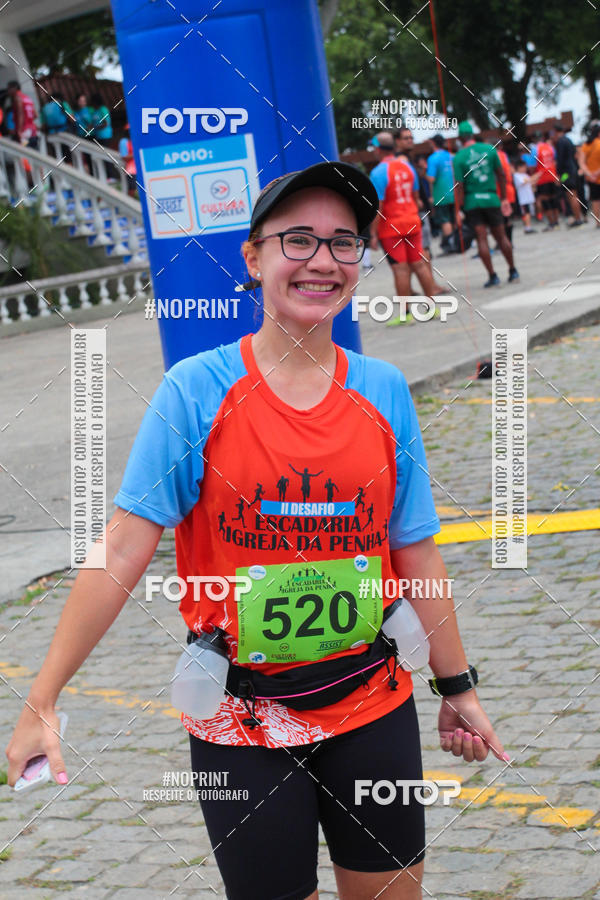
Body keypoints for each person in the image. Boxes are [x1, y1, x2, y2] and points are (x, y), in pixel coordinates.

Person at [6, 159, 507, 900]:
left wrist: (457, 685)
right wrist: (40, 699)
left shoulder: (385, 392)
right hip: (240, 722)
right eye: (297, 239)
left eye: (344, 243)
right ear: (254, 256)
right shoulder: (197, 391)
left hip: (372, 701)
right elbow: (120, 548)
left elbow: (415, 550)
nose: (322, 261)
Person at [369, 131, 442, 298]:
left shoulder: (378, 172)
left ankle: (406, 313)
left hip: (390, 228)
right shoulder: (407, 167)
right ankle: (431, 307)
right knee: (419, 265)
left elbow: (378, 206)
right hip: (412, 221)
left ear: (378, 149)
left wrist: (372, 233)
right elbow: (416, 197)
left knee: (400, 270)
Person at [452, 121, 518, 287]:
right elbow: (501, 175)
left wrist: (458, 209)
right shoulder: (489, 149)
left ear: (460, 138)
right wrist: (504, 198)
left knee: (481, 239)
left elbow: (458, 186)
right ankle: (512, 270)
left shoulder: (458, 157)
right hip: (491, 198)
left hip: (473, 202)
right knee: (501, 236)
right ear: (473, 135)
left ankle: (493, 275)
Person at [551, 124, 583, 226]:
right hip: (572, 170)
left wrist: (559, 175)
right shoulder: (568, 140)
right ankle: (578, 217)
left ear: (555, 131)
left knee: (571, 195)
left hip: (566, 173)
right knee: (574, 194)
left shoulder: (560, 142)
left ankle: (577, 218)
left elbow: (560, 160)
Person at [426, 134, 455, 244]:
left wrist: (423, 173)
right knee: (453, 219)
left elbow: (431, 178)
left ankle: (450, 244)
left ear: (433, 143)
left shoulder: (433, 158)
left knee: (445, 220)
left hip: (441, 195)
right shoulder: (451, 156)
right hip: (454, 193)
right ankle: (458, 242)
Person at [534, 132, 560, 231]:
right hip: (552, 176)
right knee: (554, 199)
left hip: (542, 178)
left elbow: (532, 165)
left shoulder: (535, 149)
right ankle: (556, 222)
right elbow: (555, 161)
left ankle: (551, 223)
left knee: (545, 201)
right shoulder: (550, 148)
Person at [578, 122, 600, 228]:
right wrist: (597, 172)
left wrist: (590, 174)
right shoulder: (599, 143)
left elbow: (581, 163)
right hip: (597, 176)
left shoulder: (585, 145)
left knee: (595, 200)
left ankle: (598, 222)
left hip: (591, 179)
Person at [6, 80, 38, 149]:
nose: (8, 91)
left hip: (24, 132)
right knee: (34, 152)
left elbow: (21, 114)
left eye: (9, 89)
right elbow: (35, 115)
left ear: (14, 88)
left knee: (25, 154)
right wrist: (28, 122)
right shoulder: (26, 97)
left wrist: (19, 130)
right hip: (32, 130)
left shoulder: (17, 98)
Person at [496, 148, 516, 245]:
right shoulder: (504, 155)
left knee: (501, 219)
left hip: (500, 191)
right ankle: (509, 242)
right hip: (509, 189)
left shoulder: (494, 156)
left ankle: (505, 242)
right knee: (507, 218)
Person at [513, 159, 537, 233]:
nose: (525, 168)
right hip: (523, 198)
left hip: (529, 197)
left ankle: (528, 226)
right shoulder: (516, 175)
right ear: (518, 167)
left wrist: (535, 179)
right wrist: (535, 176)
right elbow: (524, 182)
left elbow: (530, 182)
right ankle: (527, 227)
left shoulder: (525, 175)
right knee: (526, 213)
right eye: (523, 167)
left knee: (528, 212)